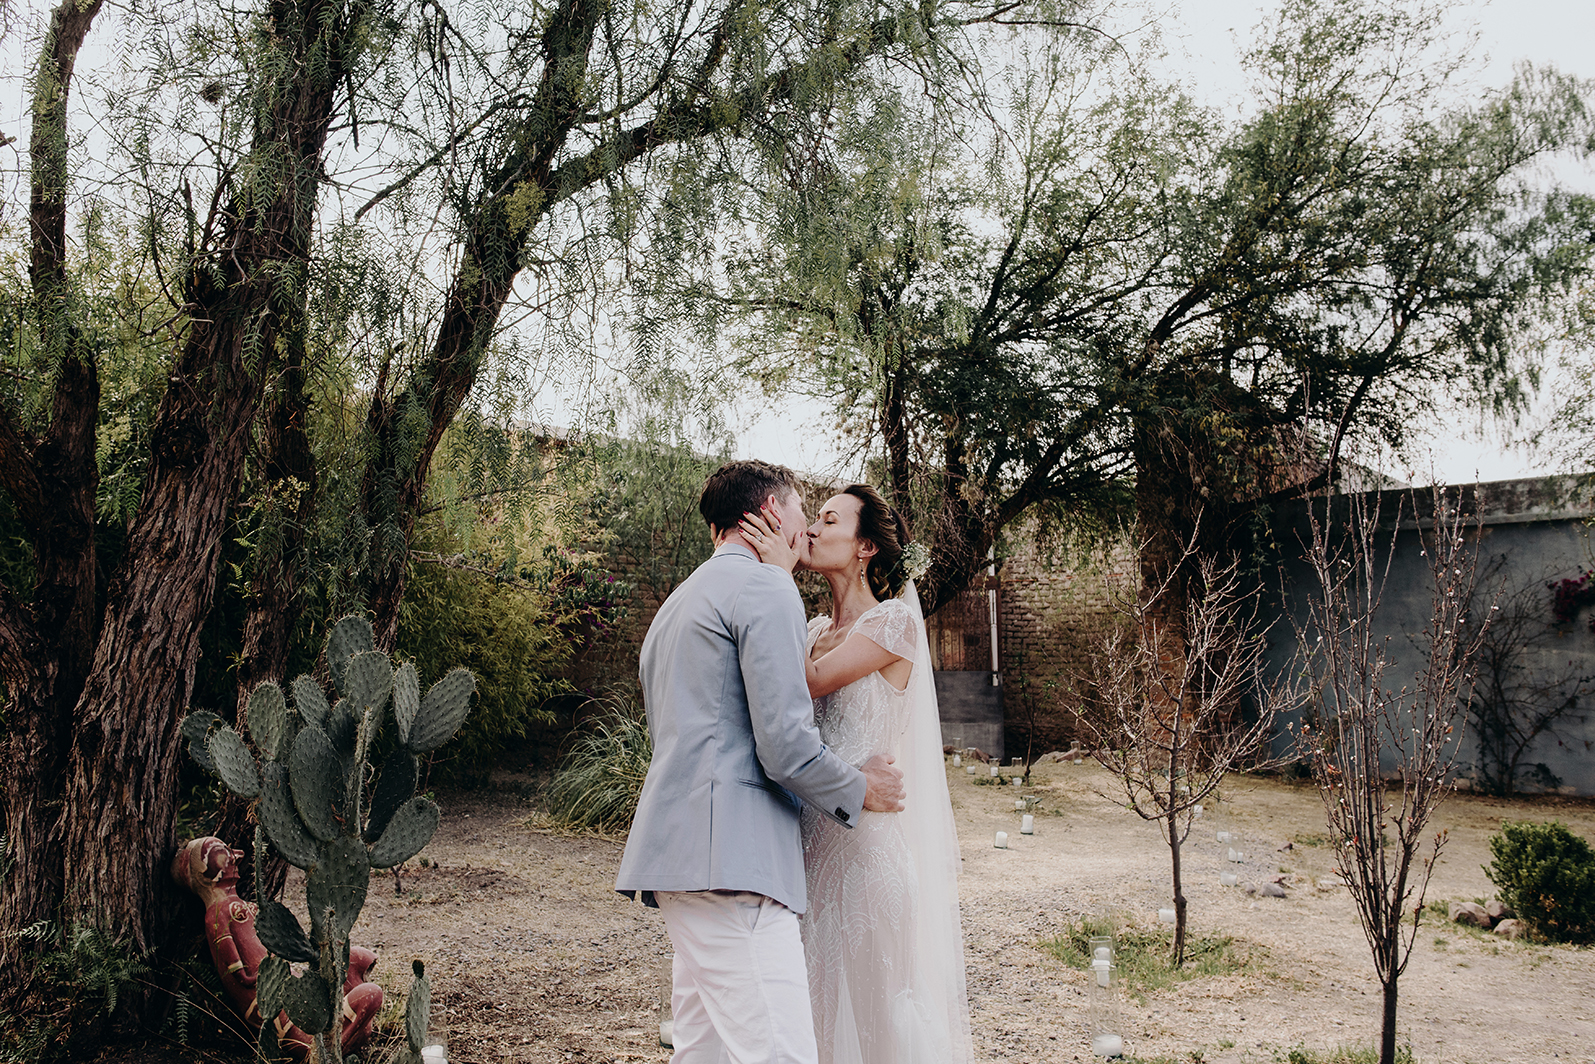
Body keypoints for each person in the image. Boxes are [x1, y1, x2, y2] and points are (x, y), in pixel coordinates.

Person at [615, 459, 907, 1064]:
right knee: (783, 1054)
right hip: (734, 866)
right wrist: (860, 788)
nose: (807, 528)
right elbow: (784, 744)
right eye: (805, 512)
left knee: (703, 1052)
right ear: (771, 512)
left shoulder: (678, 602)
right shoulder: (765, 587)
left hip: (681, 863)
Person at [739, 484, 973, 1064]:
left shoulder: (893, 624)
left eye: (828, 519)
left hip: (869, 854)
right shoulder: (814, 631)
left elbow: (808, 684)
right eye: (812, 519)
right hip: (810, 849)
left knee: (874, 1026)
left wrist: (777, 576)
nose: (813, 530)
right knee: (812, 1018)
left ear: (865, 546)